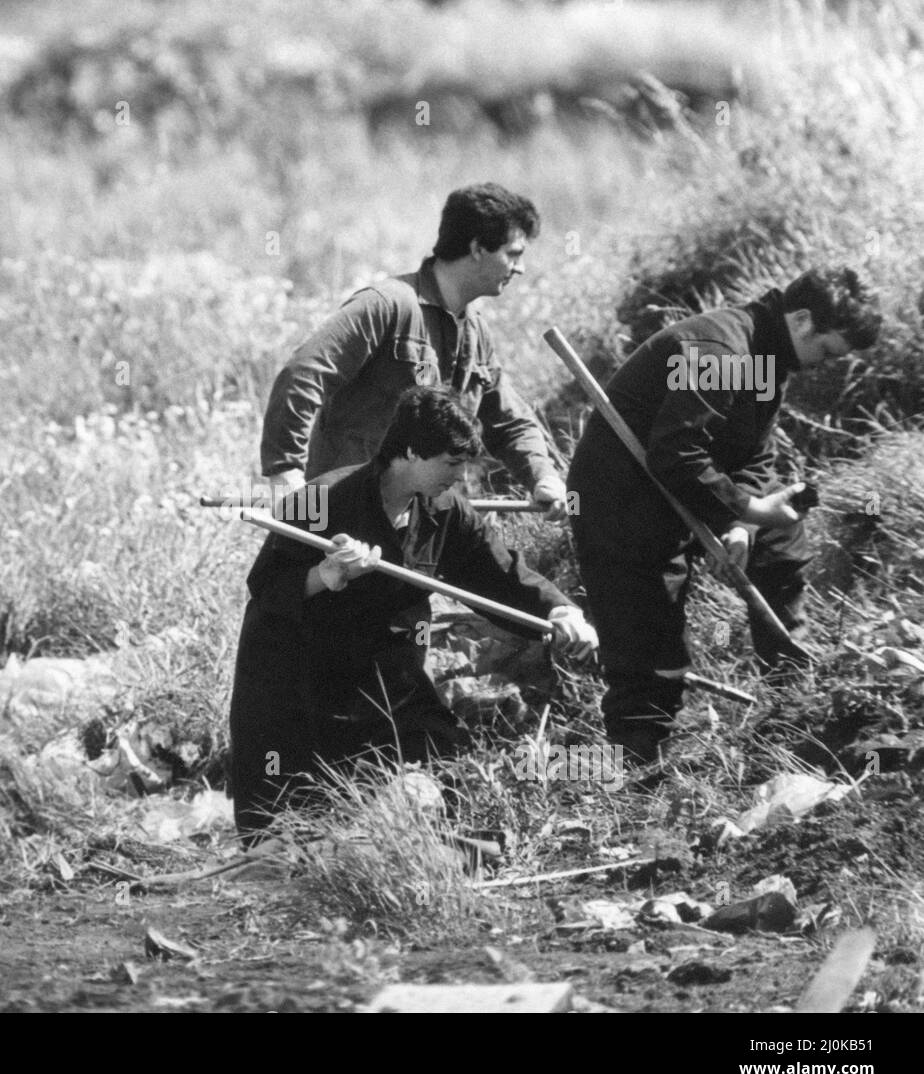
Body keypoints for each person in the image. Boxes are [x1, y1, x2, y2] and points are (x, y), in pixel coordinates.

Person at [230, 387, 597, 843]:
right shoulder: (319, 498)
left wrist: (561, 610)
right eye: (450, 463)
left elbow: (502, 574)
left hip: (385, 676)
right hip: (297, 680)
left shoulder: (445, 509)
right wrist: (326, 574)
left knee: (435, 762)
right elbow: (265, 590)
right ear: (407, 452)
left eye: (465, 464)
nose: (460, 476)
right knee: (289, 831)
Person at [567, 266, 882, 764]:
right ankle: (630, 767)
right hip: (622, 504)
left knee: (780, 540)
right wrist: (751, 507)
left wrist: (742, 522)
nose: (823, 365)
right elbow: (676, 455)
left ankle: (789, 691)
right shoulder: (722, 351)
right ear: (801, 321)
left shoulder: (766, 358)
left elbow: (753, 455)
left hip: (684, 492)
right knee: (652, 659)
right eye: (827, 351)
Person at [259, 181, 569, 520]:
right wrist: (285, 471)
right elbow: (305, 372)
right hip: (346, 515)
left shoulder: (475, 333)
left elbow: (509, 422)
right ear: (478, 248)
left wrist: (544, 477)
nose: (520, 268)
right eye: (513, 254)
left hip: (420, 527)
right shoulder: (387, 305)